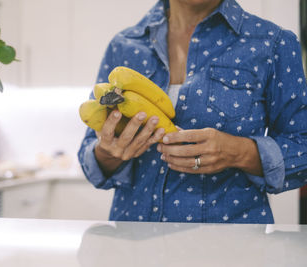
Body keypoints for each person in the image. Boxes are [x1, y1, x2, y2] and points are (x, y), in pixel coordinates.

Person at [78, 0, 307, 223]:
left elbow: (302, 147)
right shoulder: (123, 45)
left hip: (229, 249)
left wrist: (239, 152)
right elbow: (92, 159)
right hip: (130, 244)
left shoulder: (272, 43)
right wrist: (108, 152)